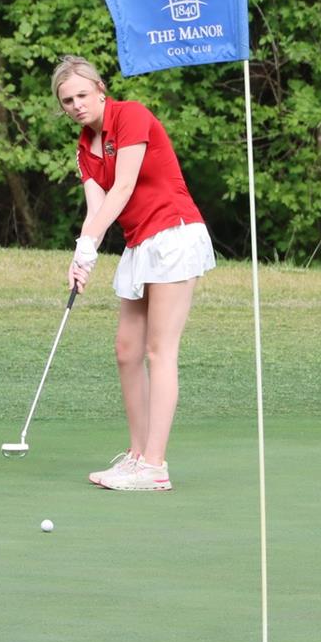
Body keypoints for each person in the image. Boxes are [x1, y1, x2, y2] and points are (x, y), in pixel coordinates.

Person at [55, 56, 215, 492]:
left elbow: (123, 187)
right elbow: (96, 206)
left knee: (160, 350)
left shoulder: (132, 116)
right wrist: (81, 256)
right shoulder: (84, 147)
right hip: (139, 243)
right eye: (67, 100)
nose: (75, 105)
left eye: (82, 95)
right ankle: (137, 455)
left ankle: (155, 466)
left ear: (100, 89)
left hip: (174, 233)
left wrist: (89, 244)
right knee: (127, 350)